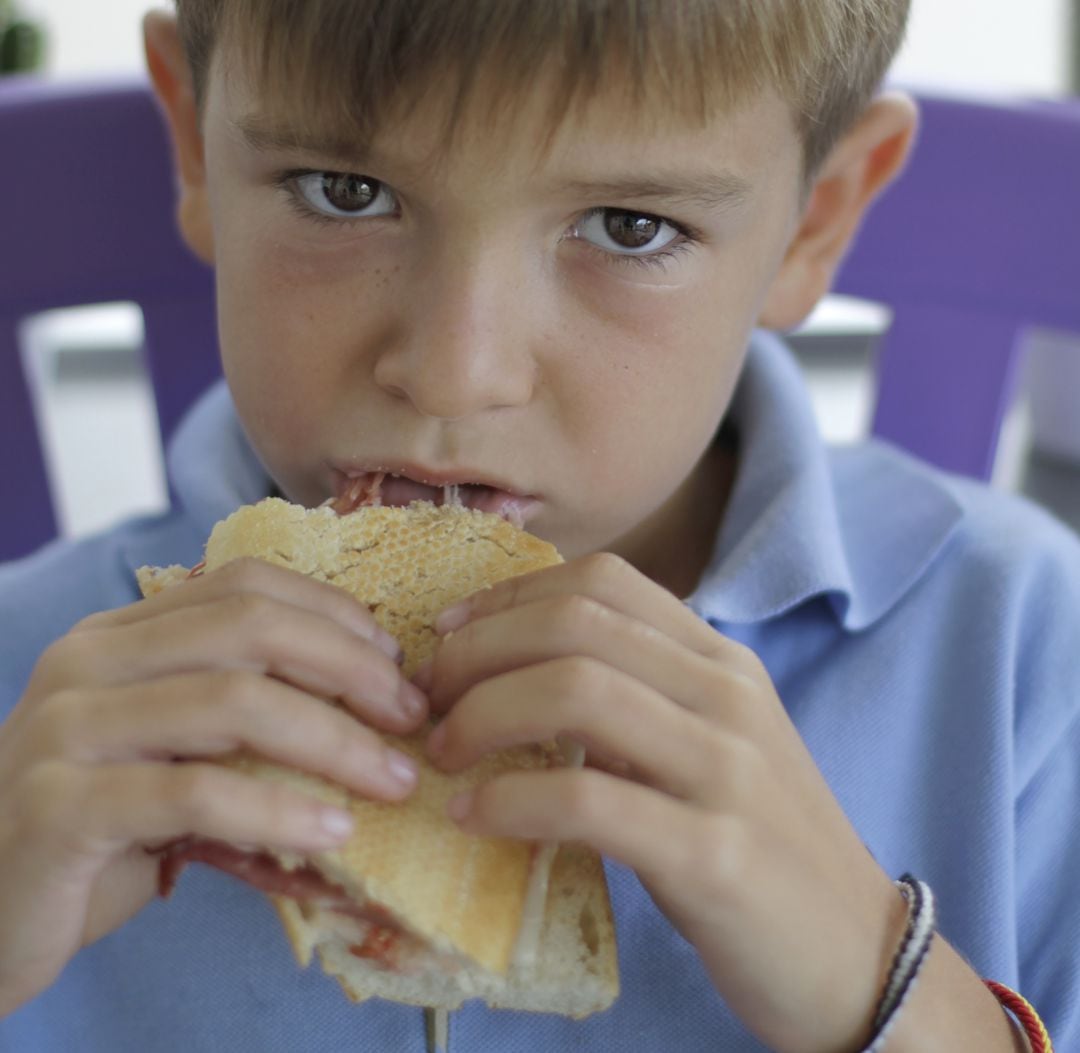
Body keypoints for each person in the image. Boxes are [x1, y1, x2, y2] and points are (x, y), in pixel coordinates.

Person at [0, 1, 1076, 1049]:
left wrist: (882, 986)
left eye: (630, 227)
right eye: (344, 190)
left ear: (820, 215)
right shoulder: (26, 688)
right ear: (192, 139)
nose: (454, 372)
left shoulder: (1025, 657)